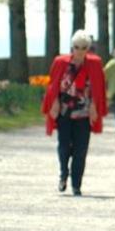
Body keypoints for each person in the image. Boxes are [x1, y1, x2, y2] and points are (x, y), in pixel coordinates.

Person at [41, 29, 107, 196]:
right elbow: (53, 85)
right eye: (76, 47)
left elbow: (98, 88)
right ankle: (64, 173)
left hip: (83, 114)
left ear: (88, 49)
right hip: (65, 112)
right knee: (64, 146)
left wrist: (94, 107)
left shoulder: (94, 64)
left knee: (81, 150)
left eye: (84, 47)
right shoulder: (61, 63)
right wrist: (54, 102)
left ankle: (76, 184)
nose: (79, 50)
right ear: (72, 47)